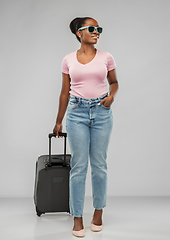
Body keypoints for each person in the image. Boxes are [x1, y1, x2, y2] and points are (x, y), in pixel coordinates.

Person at [53, 16, 118, 238]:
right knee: (79, 166)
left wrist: (111, 96)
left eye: (99, 28)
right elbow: (64, 92)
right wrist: (59, 120)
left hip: (101, 112)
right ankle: (78, 216)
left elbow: (114, 82)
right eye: (92, 28)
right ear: (79, 33)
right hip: (77, 113)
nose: (97, 31)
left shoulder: (106, 57)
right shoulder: (68, 60)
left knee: (99, 164)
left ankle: (98, 212)